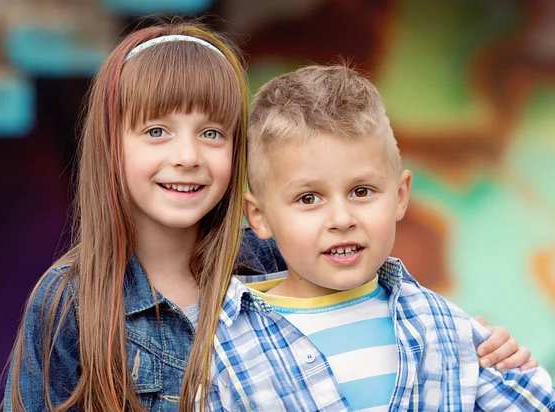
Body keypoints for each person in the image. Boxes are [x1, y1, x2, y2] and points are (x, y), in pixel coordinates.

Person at [1, 21, 536, 412]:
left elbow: (384, 327)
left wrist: (477, 349)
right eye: (156, 131)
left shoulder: (280, 257)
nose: (187, 156)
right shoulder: (71, 299)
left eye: (212, 133)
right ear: (110, 148)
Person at [204, 64, 555, 411]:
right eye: (308, 198)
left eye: (361, 191)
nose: (342, 219)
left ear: (400, 196)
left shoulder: (445, 328)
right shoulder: (224, 347)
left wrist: (513, 366)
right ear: (259, 217)